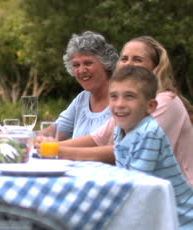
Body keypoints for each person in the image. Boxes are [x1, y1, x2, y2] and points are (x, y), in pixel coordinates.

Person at [57, 36, 193, 185]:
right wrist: (44, 147)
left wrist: (61, 152)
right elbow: (97, 139)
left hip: (174, 199)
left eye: (137, 59)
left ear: (156, 67)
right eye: (124, 59)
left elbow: (128, 150)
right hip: (140, 189)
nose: (129, 64)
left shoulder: (164, 102)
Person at [109, 65, 193, 230]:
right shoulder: (120, 130)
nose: (119, 104)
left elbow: (136, 185)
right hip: (158, 219)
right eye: (114, 96)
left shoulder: (149, 133)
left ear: (150, 107)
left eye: (129, 96)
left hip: (182, 227)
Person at [40, 31, 119, 140]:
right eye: (76, 65)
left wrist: (59, 148)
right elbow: (50, 133)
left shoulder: (121, 100)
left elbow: (109, 148)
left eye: (88, 63)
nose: (81, 70)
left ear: (106, 64)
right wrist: (19, 136)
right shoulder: (82, 99)